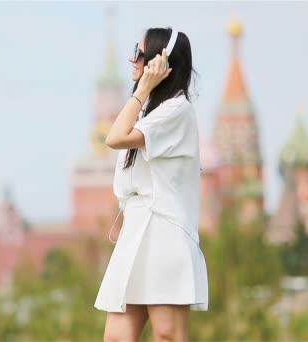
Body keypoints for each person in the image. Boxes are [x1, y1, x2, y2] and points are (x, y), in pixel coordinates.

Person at [93, 27, 208, 342]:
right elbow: (114, 135)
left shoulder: (176, 111)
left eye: (140, 53)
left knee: (167, 335)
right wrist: (141, 94)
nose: (133, 58)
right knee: (116, 337)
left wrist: (141, 88)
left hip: (164, 230)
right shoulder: (146, 111)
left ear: (160, 63)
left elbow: (115, 138)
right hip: (136, 232)